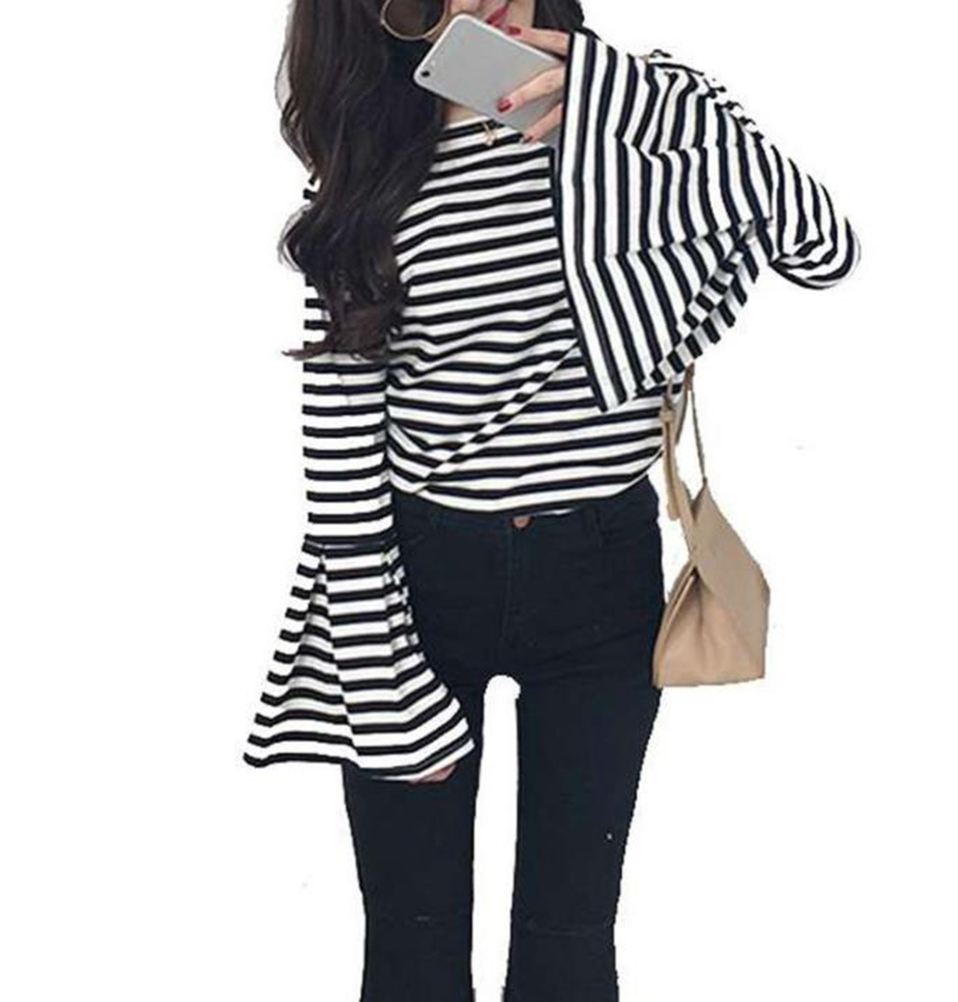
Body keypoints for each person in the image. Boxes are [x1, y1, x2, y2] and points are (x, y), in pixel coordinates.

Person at [242, 2, 860, 998]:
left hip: (600, 569)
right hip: (419, 578)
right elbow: (343, 433)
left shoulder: (652, 111)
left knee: (569, 940)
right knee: (410, 942)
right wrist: (377, 672)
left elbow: (822, 247)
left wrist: (626, 101)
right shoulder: (371, 163)